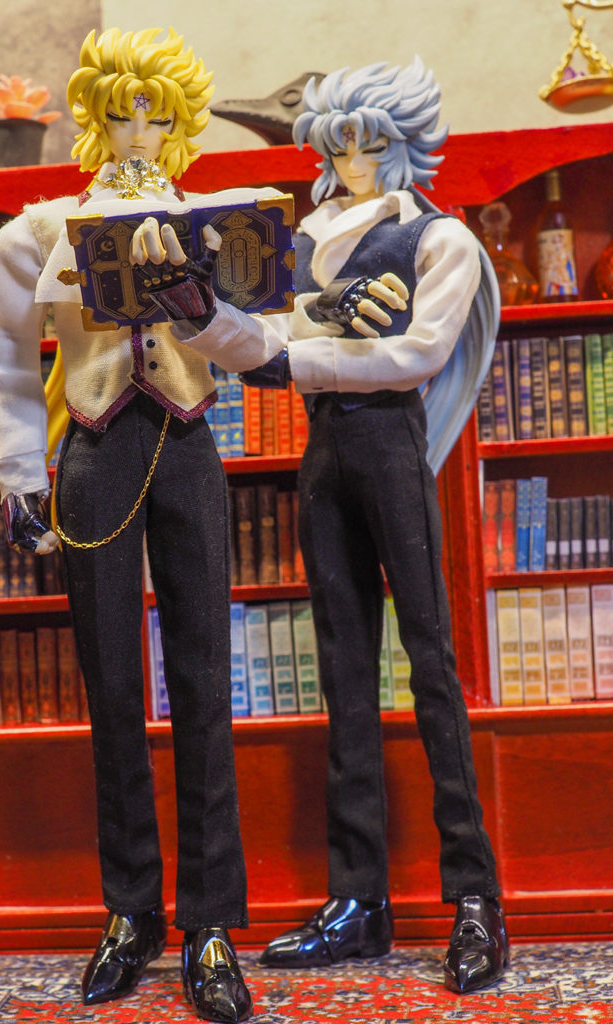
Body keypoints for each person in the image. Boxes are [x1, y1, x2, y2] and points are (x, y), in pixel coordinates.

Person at [132, 57, 508, 995]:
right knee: (343, 670)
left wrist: (298, 353)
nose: (352, 160)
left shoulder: (439, 237)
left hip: (391, 448)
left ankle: (476, 897)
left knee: (431, 663)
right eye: (337, 143)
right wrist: (201, 314)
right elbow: (261, 341)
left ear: (404, 144)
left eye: (369, 142)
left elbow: (417, 354)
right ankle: (358, 898)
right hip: (326, 456)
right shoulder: (302, 238)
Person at [0, 26, 254, 1022]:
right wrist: (21, 476)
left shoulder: (215, 226)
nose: (140, 130)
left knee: (206, 682)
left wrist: (206, 299)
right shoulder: (38, 230)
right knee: (112, 685)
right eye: (123, 113)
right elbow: (9, 359)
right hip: (94, 451)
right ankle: (131, 911)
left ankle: (211, 922)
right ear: (95, 117)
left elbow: (256, 339)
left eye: (158, 116)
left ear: (179, 125)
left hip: (186, 443)